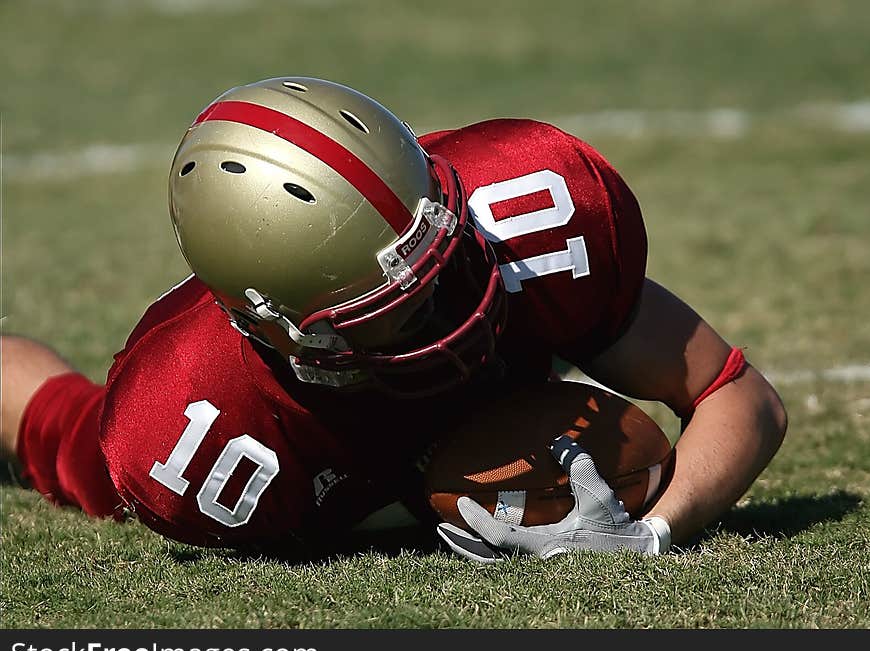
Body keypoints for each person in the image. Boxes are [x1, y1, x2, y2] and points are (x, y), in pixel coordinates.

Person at [1, 76, 787, 560]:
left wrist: (651, 536)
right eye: (392, 309)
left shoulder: (525, 215)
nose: (447, 311)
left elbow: (737, 393)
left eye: (440, 261)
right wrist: (426, 494)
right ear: (279, 330)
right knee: (66, 434)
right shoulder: (193, 429)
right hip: (295, 427)